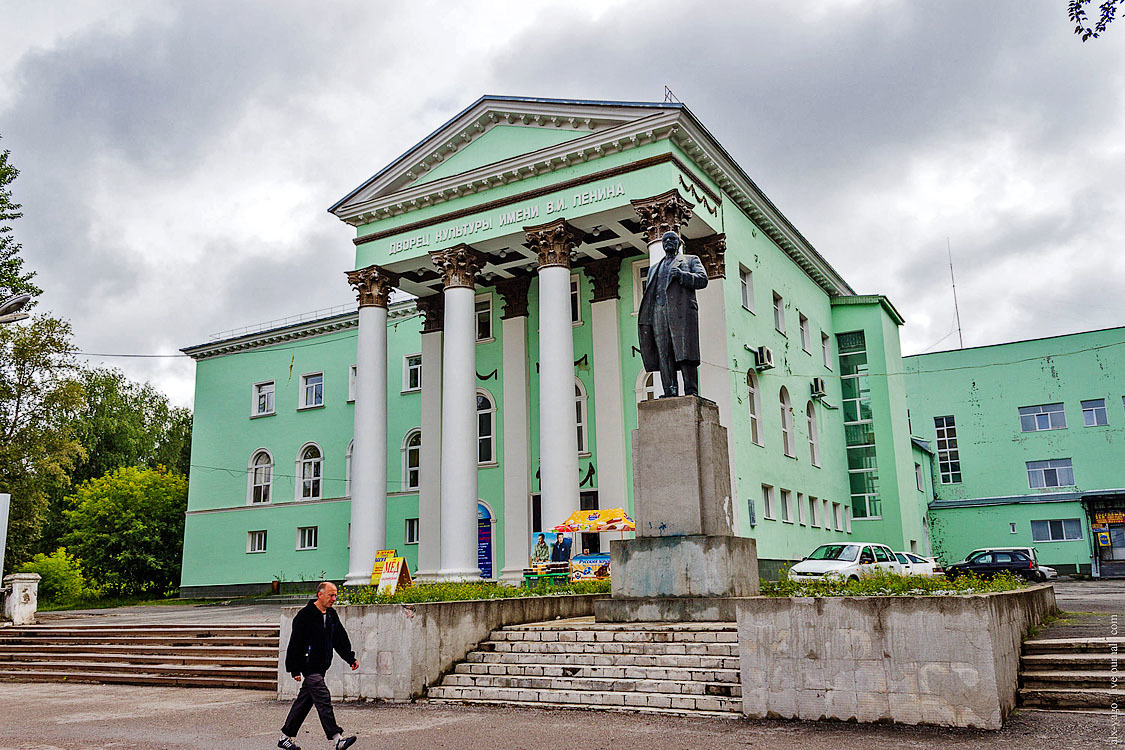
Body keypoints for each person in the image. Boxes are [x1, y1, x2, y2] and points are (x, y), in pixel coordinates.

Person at [279, 582, 358, 750]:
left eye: (335, 595)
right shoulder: (305, 615)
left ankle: (285, 737)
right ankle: (337, 739)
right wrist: (294, 668)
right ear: (320, 595)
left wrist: (350, 658)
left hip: (321, 667)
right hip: (309, 666)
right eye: (331, 595)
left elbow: (340, 639)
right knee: (323, 699)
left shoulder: (331, 615)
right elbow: (295, 643)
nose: (334, 599)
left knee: (303, 703)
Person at [637, 230, 709, 397]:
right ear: (662, 245)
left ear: (679, 243)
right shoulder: (654, 268)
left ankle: (691, 391)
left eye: (672, 239)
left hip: (681, 313)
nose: (668, 242)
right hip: (658, 313)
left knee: (685, 353)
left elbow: (703, 279)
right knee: (664, 353)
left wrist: (683, 275)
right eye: (665, 240)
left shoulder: (690, 260)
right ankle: (669, 391)